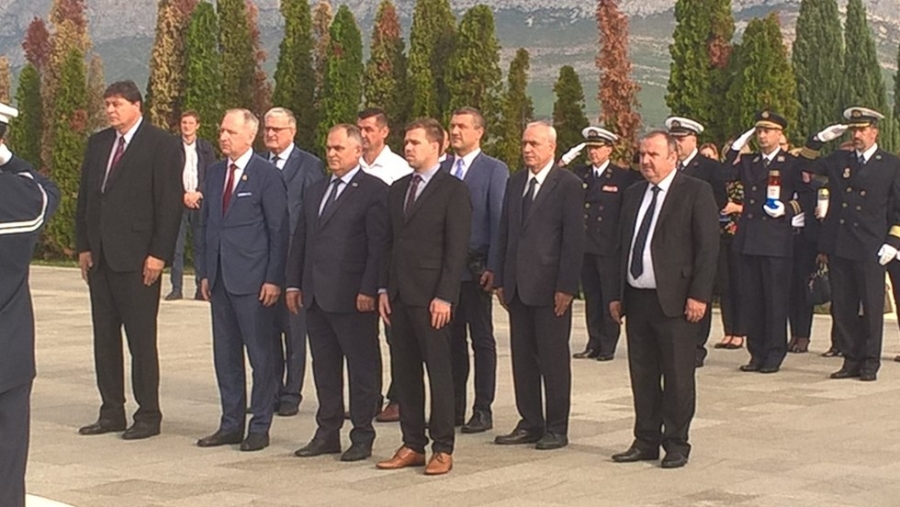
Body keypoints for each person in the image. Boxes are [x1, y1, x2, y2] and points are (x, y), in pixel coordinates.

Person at [75, 80, 183, 440]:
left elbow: (169, 204)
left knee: (140, 340)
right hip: (101, 258)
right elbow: (87, 199)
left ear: (137, 106)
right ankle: (111, 411)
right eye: (107, 104)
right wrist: (84, 246)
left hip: (138, 260)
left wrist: (159, 254)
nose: (110, 110)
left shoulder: (161, 145)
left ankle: (148, 414)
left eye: (117, 104)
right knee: (104, 338)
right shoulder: (98, 143)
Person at [609, 130, 719, 469]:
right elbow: (621, 245)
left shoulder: (695, 192)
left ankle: (676, 442)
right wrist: (616, 294)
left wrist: (699, 295)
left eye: (653, 155)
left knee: (677, 375)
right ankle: (645, 440)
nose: (645, 161)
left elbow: (708, 248)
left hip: (676, 301)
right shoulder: (633, 194)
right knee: (642, 374)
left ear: (673, 157)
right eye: (642, 155)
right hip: (637, 299)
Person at [376, 118, 471, 475]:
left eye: (415, 142)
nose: (408, 147)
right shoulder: (399, 189)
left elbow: (456, 249)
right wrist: (383, 288)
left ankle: (442, 447)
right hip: (399, 296)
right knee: (405, 373)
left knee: (439, 372)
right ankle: (412, 443)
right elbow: (388, 243)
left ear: (436, 146)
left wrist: (445, 295)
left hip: (433, 299)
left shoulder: (453, 190)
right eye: (406, 141)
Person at [287, 124, 388, 462]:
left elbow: (378, 246)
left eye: (339, 148)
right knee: (325, 368)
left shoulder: (373, 190)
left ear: (358, 151)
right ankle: (327, 431)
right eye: (329, 148)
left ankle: (362, 434)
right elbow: (301, 239)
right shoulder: (316, 189)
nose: (331, 154)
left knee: (362, 369)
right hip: (317, 295)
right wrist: (294, 283)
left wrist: (369, 288)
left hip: (353, 297)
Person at [195, 109, 289, 451]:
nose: (223, 137)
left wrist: (274, 278)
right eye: (221, 130)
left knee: (261, 357)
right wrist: (205, 272)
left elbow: (279, 230)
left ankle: (260, 425)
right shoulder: (215, 173)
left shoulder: (266, 175)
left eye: (231, 132)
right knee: (225, 356)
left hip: (254, 282)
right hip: (220, 279)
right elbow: (205, 226)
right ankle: (231, 423)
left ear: (250, 136)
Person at [493, 122, 585, 451]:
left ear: (551, 147)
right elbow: (505, 231)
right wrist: (500, 277)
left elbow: (573, 239)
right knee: (523, 358)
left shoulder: (568, 185)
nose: (527, 149)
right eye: (524, 143)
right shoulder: (516, 182)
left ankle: (556, 426)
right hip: (518, 286)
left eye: (534, 143)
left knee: (553, 359)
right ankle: (530, 421)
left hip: (550, 288)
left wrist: (567, 286)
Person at [797, 107, 900, 381]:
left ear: (874, 132)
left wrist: (894, 240)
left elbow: (898, 207)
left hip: (870, 245)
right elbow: (803, 167)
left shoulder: (890, 164)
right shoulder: (839, 159)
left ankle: (870, 362)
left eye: (862, 130)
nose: (857, 135)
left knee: (872, 306)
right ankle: (850, 359)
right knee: (843, 306)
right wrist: (817, 140)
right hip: (840, 242)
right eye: (853, 130)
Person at [0, 103, 60, 507]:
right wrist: (8, 158)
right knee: (7, 468)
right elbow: (48, 191)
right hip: (9, 351)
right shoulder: (19, 197)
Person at [724, 111, 808, 374]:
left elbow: (807, 195)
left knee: (774, 300)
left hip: (775, 239)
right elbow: (724, 172)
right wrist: (738, 144)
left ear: (779, 134)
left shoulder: (790, 163)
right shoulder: (749, 161)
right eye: (759, 131)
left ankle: (773, 353)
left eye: (767, 131)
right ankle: (756, 352)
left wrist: (787, 209)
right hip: (749, 238)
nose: (762, 136)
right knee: (752, 299)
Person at [445, 107, 509, 433]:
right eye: (452, 125)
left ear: (479, 132)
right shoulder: (442, 167)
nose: (455, 131)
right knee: (450, 342)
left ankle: (482, 408)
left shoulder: (493, 170)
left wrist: (495, 266)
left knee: (481, 340)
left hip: (477, 269)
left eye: (462, 126)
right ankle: (452, 408)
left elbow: (499, 220)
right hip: (445, 272)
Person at [263, 107, 325, 417]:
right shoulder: (259, 164)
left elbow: (313, 217)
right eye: (267, 129)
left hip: (293, 262)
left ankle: (292, 392)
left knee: (294, 332)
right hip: (263, 262)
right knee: (267, 331)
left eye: (277, 129)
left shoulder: (309, 165)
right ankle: (270, 389)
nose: (271, 134)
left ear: (292, 131)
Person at [357, 107, 412, 422]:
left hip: (389, 262)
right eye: (360, 129)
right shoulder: (353, 164)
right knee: (364, 339)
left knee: (396, 337)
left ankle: (400, 398)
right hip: (358, 263)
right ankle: (369, 397)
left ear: (384, 132)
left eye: (369, 129)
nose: (364, 135)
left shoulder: (397, 169)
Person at [570, 126, 640, 362]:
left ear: (609, 149)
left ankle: (608, 344)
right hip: (586, 245)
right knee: (591, 296)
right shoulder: (581, 174)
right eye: (590, 148)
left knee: (609, 296)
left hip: (609, 247)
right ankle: (594, 342)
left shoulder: (621, 176)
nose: (593, 152)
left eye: (598, 148)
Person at [665, 117, 727, 367]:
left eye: (681, 139)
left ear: (694, 140)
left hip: (696, 236)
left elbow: (720, 199)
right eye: (674, 139)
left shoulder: (709, 168)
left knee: (699, 291)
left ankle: (697, 347)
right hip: (670, 242)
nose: (677, 144)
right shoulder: (668, 166)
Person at [166, 110, 217, 301]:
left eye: (190, 123)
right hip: (178, 202)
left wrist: (198, 193)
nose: (186, 126)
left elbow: (211, 173)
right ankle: (176, 288)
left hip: (199, 202)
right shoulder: (172, 146)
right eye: (184, 123)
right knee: (176, 247)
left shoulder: (205, 148)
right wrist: (182, 194)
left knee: (200, 246)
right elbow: (168, 174)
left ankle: (200, 288)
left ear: (198, 125)